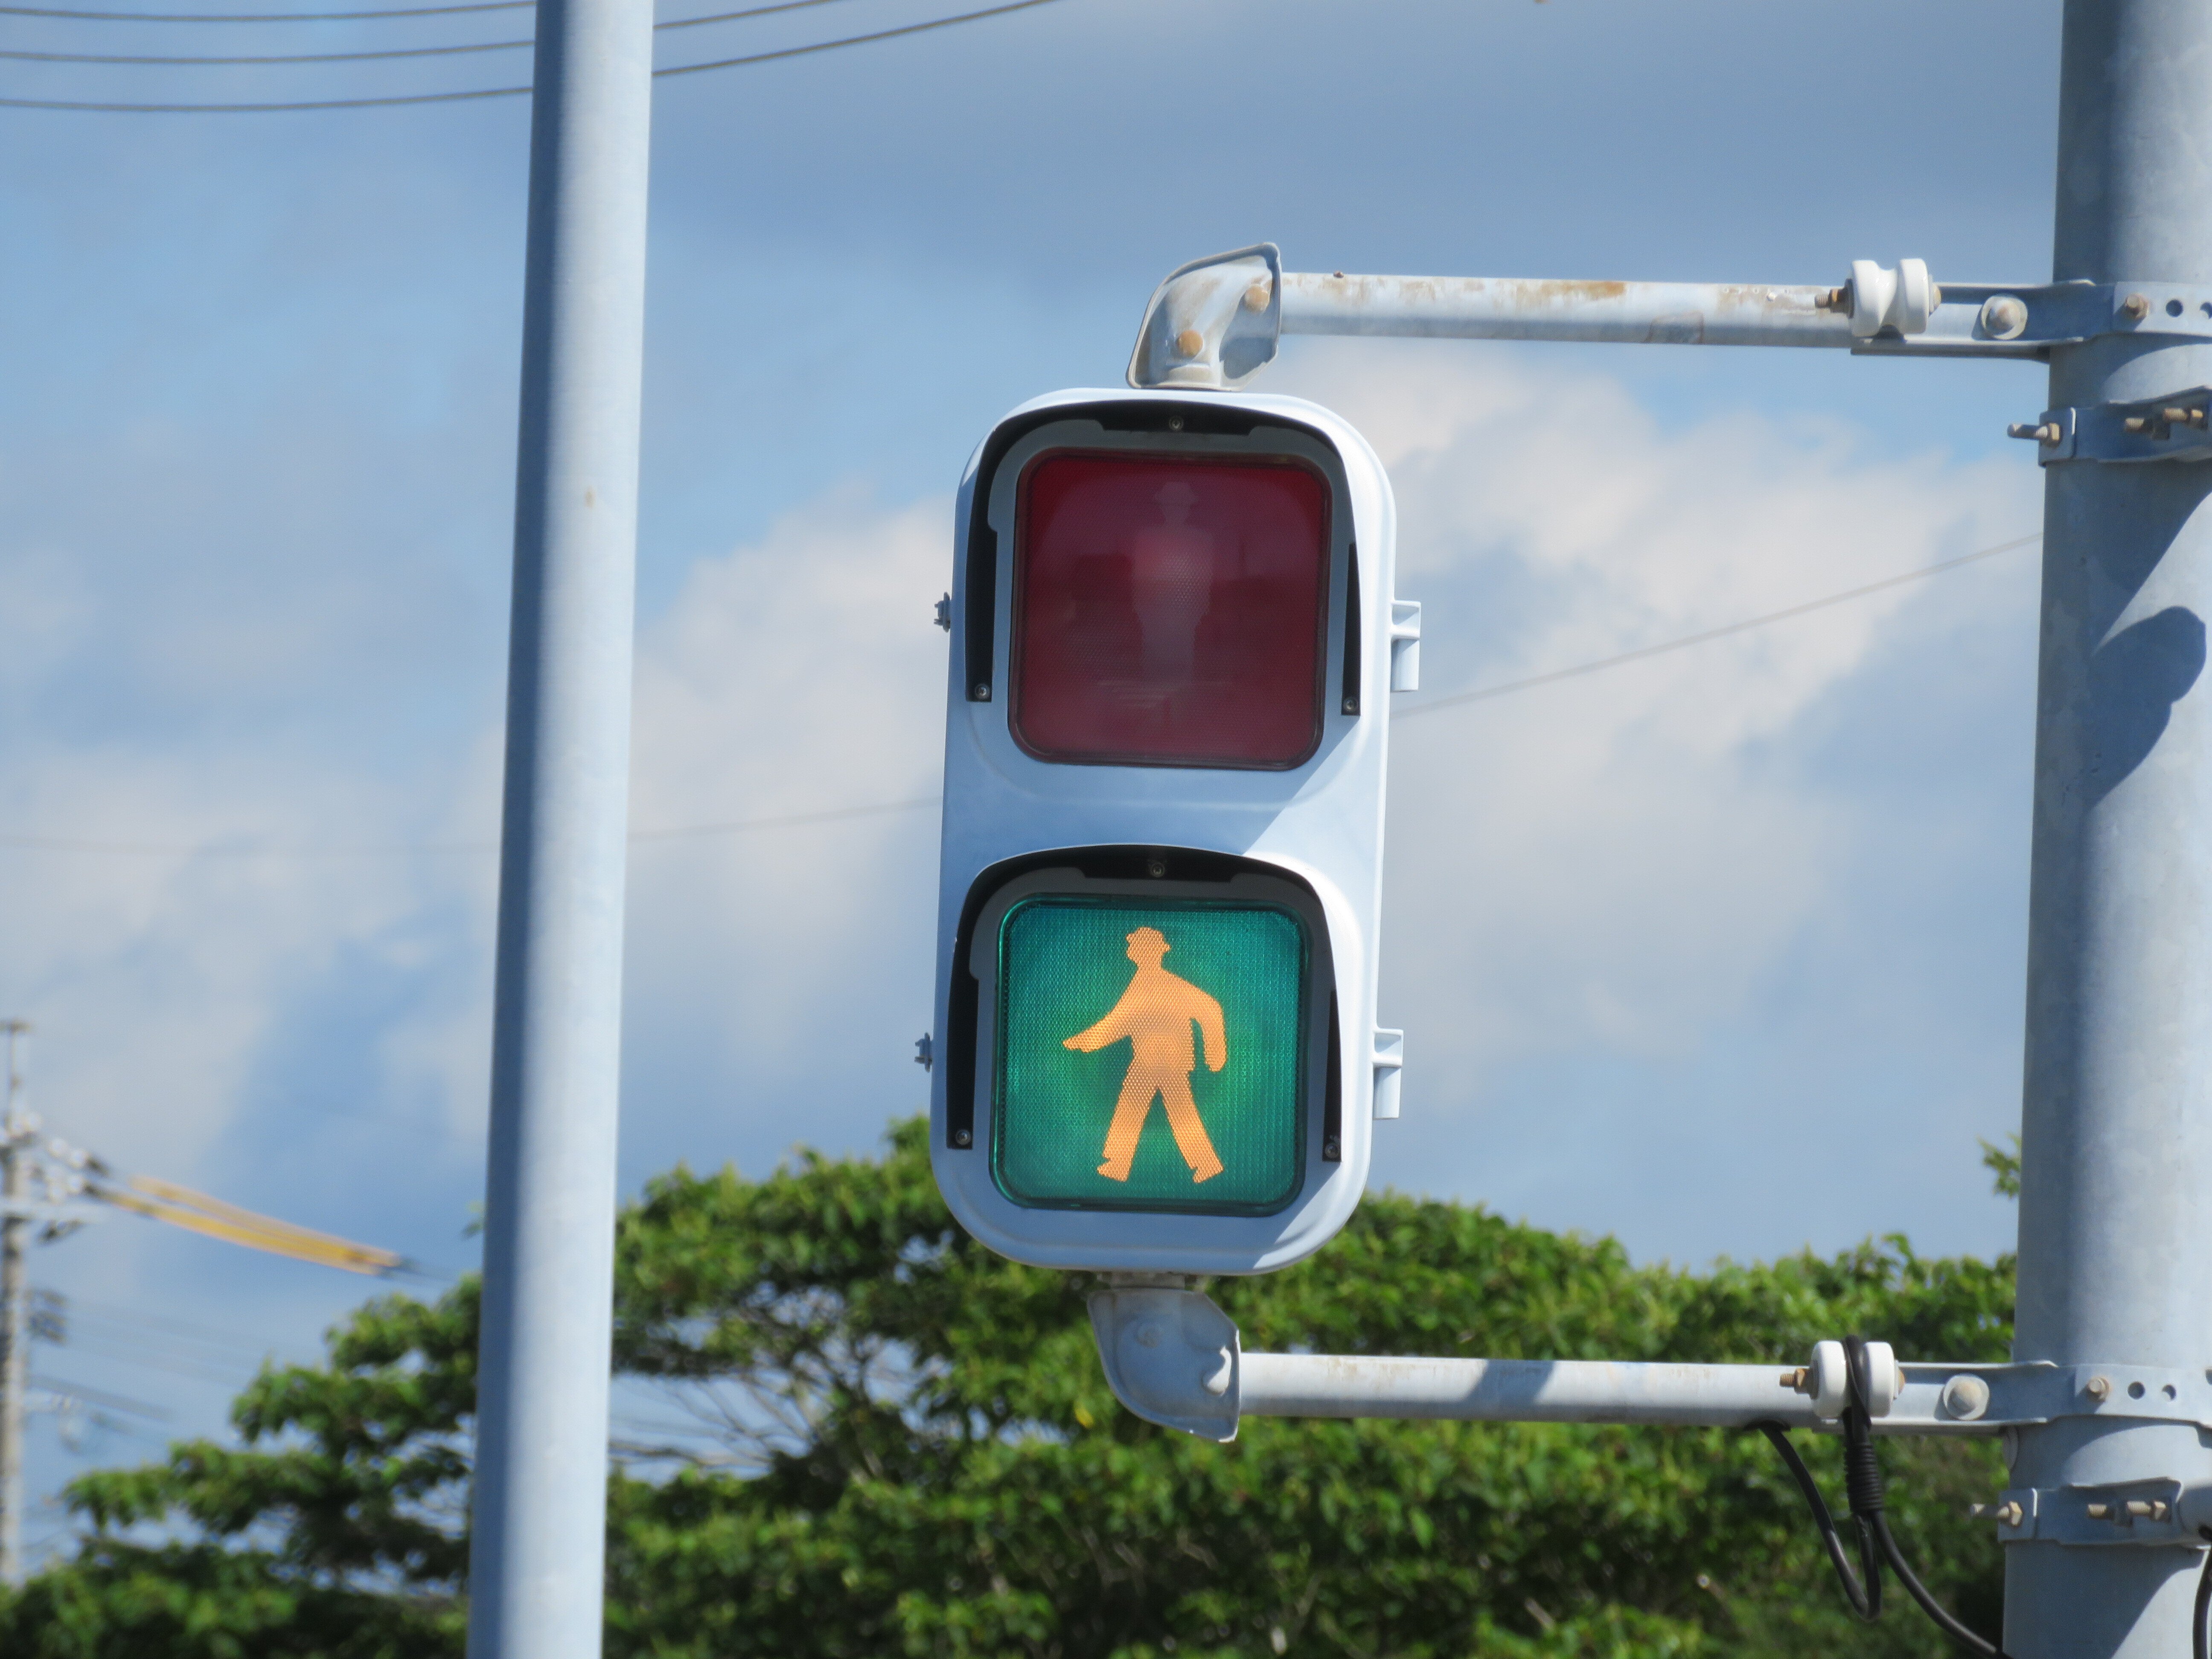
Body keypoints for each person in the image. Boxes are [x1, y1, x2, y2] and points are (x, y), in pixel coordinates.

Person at [1063, 925, 1227, 1183]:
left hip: (1166, 1061)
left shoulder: (1166, 983)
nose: (1131, 951)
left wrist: (1215, 1053)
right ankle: (1120, 1164)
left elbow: (1210, 1009)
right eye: (1132, 947)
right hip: (1151, 1060)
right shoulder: (1142, 982)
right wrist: (1085, 1041)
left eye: (1135, 946)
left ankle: (1200, 1163)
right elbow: (1120, 1022)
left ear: (1148, 951)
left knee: (1172, 1112)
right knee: (1149, 1109)